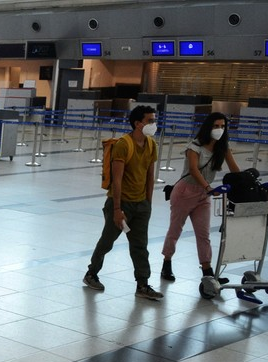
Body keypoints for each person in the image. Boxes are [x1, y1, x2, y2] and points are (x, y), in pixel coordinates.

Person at [83, 105, 163, 301]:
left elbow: (150, 176)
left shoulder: (152, 144)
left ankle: (142, 284)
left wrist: (148, 203)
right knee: (107, 242)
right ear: (138, 123)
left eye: (154, 120)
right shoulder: (124, 145)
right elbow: (117, 180)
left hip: (141, 204)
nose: (153, 124)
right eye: (150, 121)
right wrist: (117, 210)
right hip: (120, 204)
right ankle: (91, 273)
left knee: (140, 246)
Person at [160, 112, 241, 282]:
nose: (219, 129)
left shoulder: (222, 148)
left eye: (222, 126)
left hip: (204, 195)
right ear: (208, 127)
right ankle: (166, 263)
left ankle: (207, 271)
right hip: (184, 192)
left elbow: (235, 169)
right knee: (175, 230)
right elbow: (194, 170)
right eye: (216, 126)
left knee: (203, 234)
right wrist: (208, 187)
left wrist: (245, 180)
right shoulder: (194, 146)